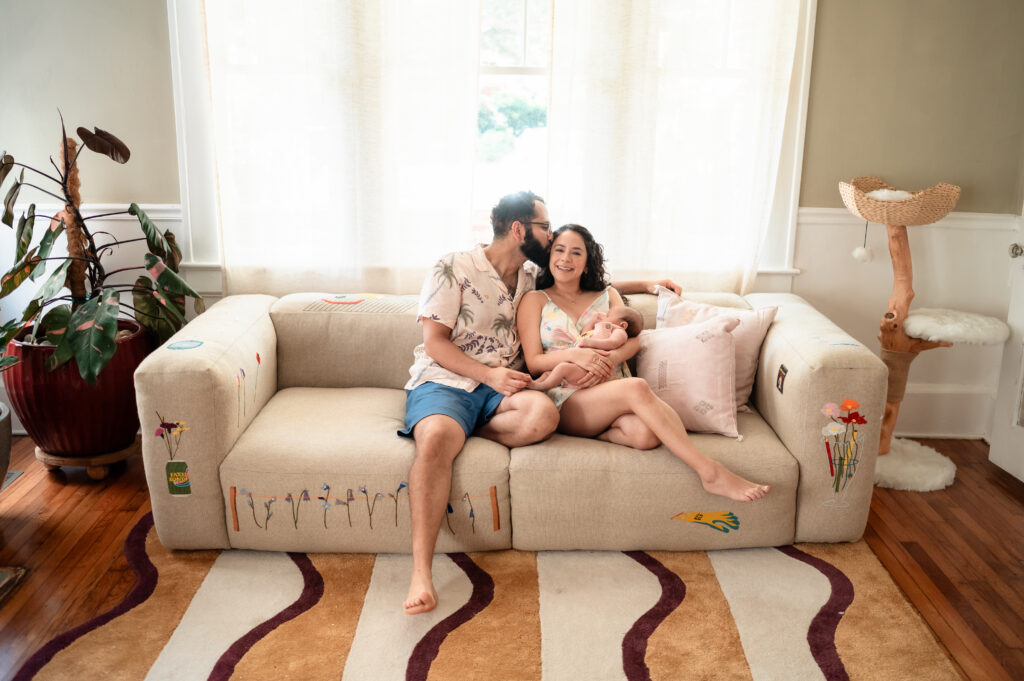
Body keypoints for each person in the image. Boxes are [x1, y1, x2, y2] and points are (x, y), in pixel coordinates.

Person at [400, 193, 678, 616]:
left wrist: (645, 285)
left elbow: (584, 287)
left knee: (544, 414)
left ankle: (472, 428)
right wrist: (489, 375)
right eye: (545, 227)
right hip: (450, 380)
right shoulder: (452, 266)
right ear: (519, 229)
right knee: (437, 437)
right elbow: (434, 343)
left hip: (506, 387)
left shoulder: (531, 275)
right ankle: (421, 573)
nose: (551, 237)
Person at [516, 224, 771, 503]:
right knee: (636, 388)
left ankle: (598, 434)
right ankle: (710, 472)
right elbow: (534, 362)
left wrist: (612, 356)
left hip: (610, 390)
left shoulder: (607, 296)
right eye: (559, 250)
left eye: (576, 253)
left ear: (587, 264)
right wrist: (576, 356)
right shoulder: (535, 300)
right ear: (549, 256)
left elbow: (636, 340)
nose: (565, 259)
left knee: (647, 435)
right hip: (568, 394)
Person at [528, 305, 642, 391]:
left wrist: (591, 343)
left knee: (562, 368)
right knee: (550, 372)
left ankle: (542, 386)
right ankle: (533, 385)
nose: (603, 316)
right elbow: (584, 334)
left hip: (589, 369)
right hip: (579, 363)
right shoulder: (599, 330)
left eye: (608, 316)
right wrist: (592, 322)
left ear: (623, 325)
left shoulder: (618, 331)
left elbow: (612, 343)